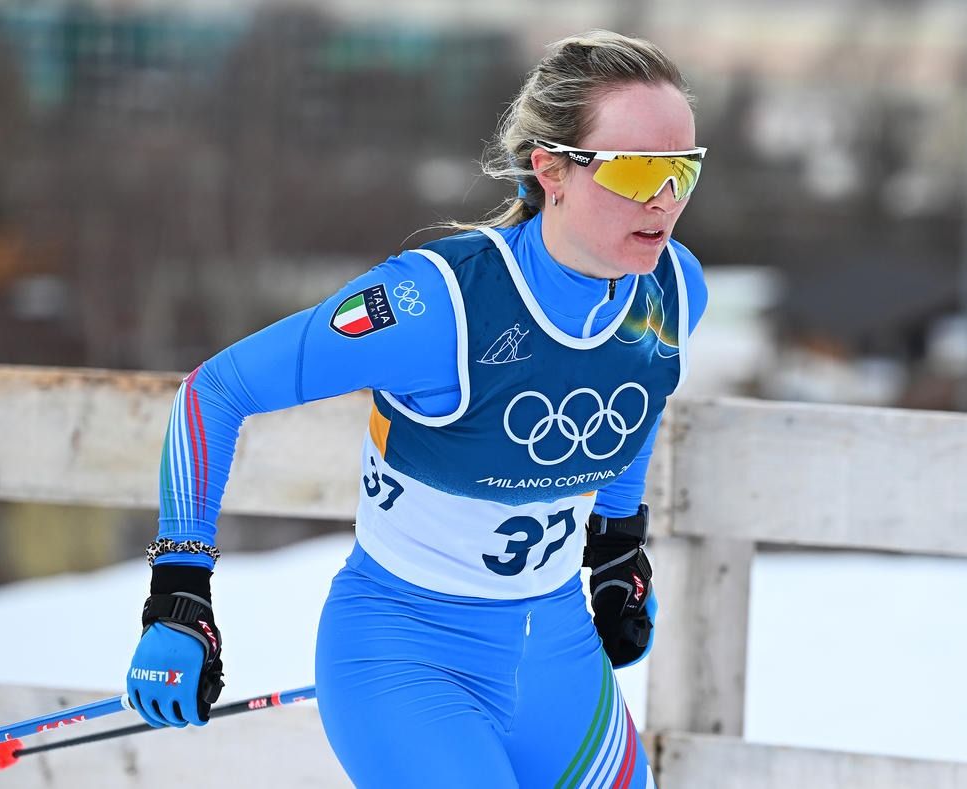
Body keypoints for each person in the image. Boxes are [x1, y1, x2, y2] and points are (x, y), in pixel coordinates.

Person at [125, 29, 708, 788]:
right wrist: (179, 592)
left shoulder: (673, 289)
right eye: (636, 170)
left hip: (554, 652)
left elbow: (636, 396)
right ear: (552, 170)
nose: (665, 199)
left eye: (683, 170)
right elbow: (215, 391)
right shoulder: (434, 305)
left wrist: (617, 543)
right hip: (405, 655)